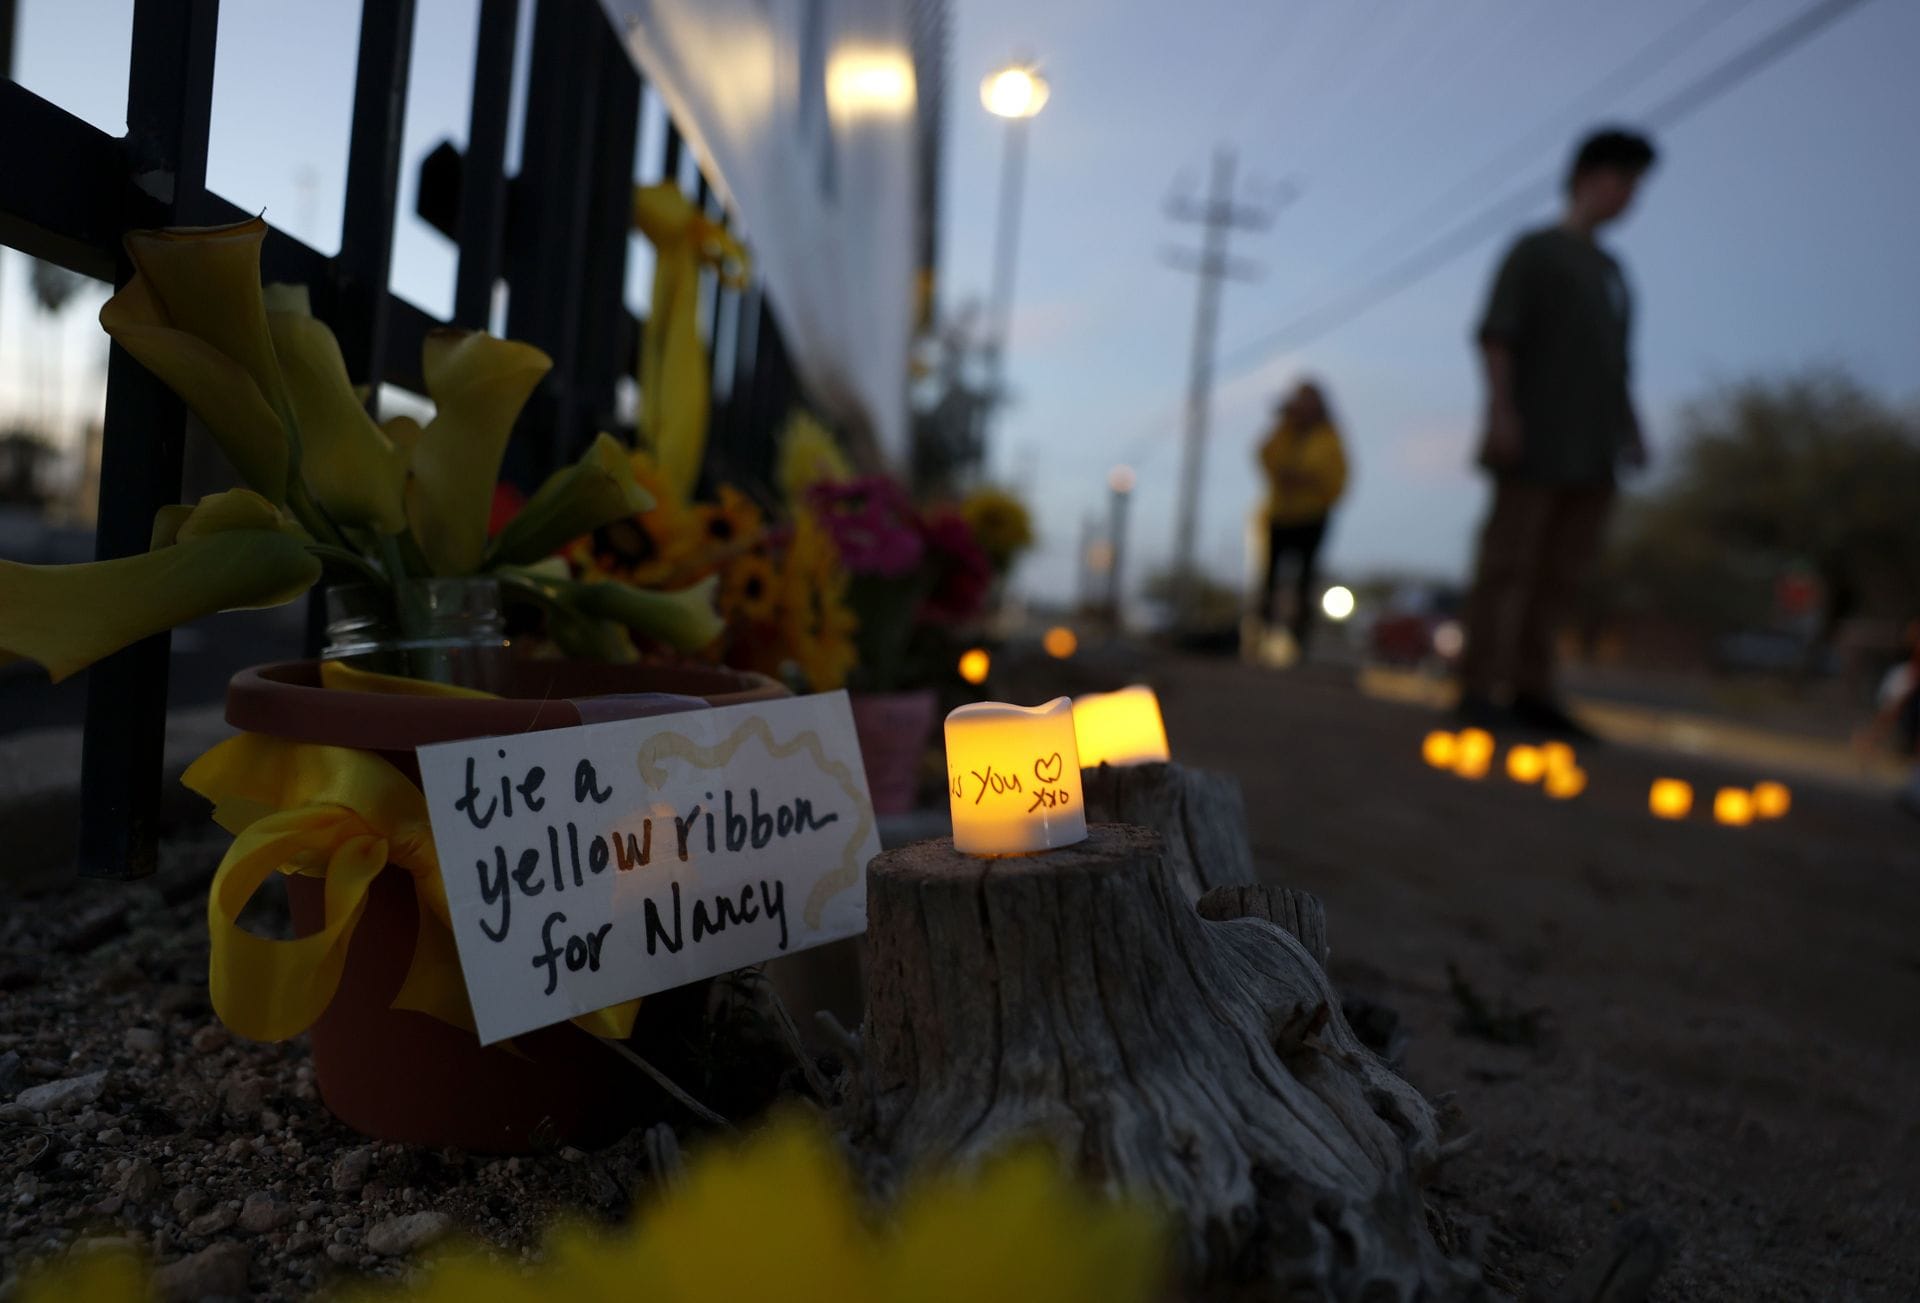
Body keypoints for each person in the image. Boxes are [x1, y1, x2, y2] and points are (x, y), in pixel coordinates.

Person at [1457, 127, 1656, 738]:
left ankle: (1532, 689)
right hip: (1537, 439)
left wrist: (1631, 427)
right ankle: (1477, 686)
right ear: (1591, 179)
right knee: (1509, 563)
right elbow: (1498, 336)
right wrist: (1503, 412)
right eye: (1624, 183)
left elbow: (1615, 364)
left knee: (1561, 576)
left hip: (1593, 453)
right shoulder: (1537, 251)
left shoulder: (1612, 271)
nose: (1629, 199)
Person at [1256, 379, 1349, 655]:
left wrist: (1309, 482)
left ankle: (1299, 640)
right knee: (1270, 577)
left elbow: (1336, 477)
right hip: (1280, 514)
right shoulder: (1285, 433)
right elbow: (1264, 454)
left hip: (1311, 517)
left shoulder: (1329, 437)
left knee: (1305, 580)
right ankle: (1262, 634)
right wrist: (1284, 423)